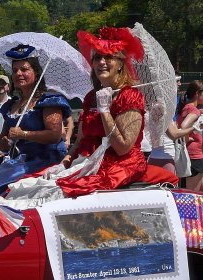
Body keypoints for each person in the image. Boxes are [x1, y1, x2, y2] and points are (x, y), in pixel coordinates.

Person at [56, 27, 147, 196]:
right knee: (44, 183)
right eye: (97, 57)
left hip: (121, 164)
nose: (102, 62)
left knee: (66, 191)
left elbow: (122, 148)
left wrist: (105, 110)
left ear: (120, 63)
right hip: (88, 160)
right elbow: (80, 139)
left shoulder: (130, 96)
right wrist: (66, 160)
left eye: (109, 57)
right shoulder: (91, 97)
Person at [0, 45, 71, 167]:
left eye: (24, 69)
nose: (18, 73)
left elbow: (54, 135)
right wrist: (4, 143)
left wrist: (23, 134)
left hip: (44, 163)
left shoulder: (49, 101)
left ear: (36, 74)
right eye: (15, 70)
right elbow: (1, 142)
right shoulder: (11, 105)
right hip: (16, 162)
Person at [176, 80, 203, 190]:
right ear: (197, 93)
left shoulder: (187, 108)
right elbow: (183, 126)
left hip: (191, 156)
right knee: (193, 195)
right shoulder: (194, 111)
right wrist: (188, 137)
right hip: (195, 157)